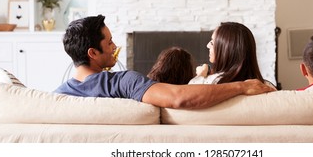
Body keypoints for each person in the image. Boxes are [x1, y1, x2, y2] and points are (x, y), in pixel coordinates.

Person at [54, 15, 275, 109]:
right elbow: (179, 99)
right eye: (110, 42)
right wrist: (242, 86)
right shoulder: (125, 82)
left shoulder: (57, 98)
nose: (114, 46)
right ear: (92, 53)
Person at [189, 22, 274, 88]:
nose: (207, 45)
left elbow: (189, 93)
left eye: (212, 42)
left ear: (225, 49)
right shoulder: (267, 86)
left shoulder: (210, 83)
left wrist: (201, 74)